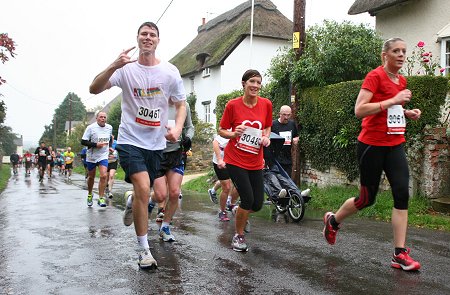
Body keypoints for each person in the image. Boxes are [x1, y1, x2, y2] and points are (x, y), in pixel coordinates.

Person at [89, 21, 186, 269]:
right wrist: (113, 65)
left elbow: (181, 104)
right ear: (138, 38)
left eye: (152, 34)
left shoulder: (169, 72)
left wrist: (176, 128)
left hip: (156, 145)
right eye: (144, 34)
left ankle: (134, 202)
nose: (148, 38)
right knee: (144, 188)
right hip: (130, 140)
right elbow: (94, 88)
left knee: (148, 192)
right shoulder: (125, 69)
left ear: (158, 40)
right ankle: (144, 250)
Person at [322, 37, 422, 271]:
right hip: (371, 145)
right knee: (367, 199)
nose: (401, 54)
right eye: (396, 50)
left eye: (404, 51)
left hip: (395, 143)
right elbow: (360, 109)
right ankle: (333, 220)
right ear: (384, 56)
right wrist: (394, 100)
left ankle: (399, 253)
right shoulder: (374, 76)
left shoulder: (402, 80)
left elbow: (391, 109)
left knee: (401, 193)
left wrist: (406, 112)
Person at [219, 69, 272, 252]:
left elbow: (266, 126)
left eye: (258, 82)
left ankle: (237, 211)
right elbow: (221, 130)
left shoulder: (266, 104)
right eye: (252, 82)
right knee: (248, 199)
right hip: (235, 159)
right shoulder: (232, 105)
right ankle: (238, 236)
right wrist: (234, 133)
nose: (255, 85)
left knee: (257, 204)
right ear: (243, 84)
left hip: (256, 160)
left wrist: (266, 137)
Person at [149, 102, 194, 241]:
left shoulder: (183, 105)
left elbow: (190, 127)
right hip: (157, 153)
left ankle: (165, 227)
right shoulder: (154, 102)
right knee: (161, 195)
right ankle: (151, 200)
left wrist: (188, 137)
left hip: (176, 153)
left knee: (174, 192)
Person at [81, 111, 113, 207]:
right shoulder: (91, 128)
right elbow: (83, 141)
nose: (103, 118)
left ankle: (101, 198)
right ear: (97, 118)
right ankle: (90, 194)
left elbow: (109, 138)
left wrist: (110, 146)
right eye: (101, 117)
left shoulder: (109, 127)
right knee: (91, 177)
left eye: (104, 117)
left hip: (103, 155)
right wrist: (95, 145)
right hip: (92, 155)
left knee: (103, 176)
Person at [211, 134, 240, 221]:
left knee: (240, 184)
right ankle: (222, 211)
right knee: (226, 187)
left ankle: (231, 203)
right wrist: (219, 159)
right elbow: (215, 142)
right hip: (221, 160)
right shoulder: (229, 129)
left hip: (235, 159)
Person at [271, 105, 299, 179]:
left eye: (288, 115)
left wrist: (296, 139)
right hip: (275, 159)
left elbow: (296, 135)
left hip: (287, 158)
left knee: (287, 180)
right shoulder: (273, 124)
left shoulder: (292, 124)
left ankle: (290, 191)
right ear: (279, 114)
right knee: (278, 181)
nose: (286, 117)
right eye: (284, 115)